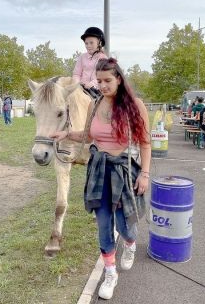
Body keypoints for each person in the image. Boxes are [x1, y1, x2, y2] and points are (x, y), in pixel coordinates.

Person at [51, 58, 151, 300]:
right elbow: (87, 135)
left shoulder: (134, 106)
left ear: (119, 79)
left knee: (125, 225)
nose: (103, 85)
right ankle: (110, 272)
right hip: (98, 170)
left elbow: (145, 143)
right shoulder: (95, 105)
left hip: (123, 170)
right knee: (104, 223)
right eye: (99, 81)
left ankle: (130, 244)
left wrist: (145, 174)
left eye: (108, 80)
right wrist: (65, 133)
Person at [72, 27, 108, 99]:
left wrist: (92, 84)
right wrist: (76, 84)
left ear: (99, 43)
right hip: (81, 88)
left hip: (97, 90)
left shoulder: (103, 58)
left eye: (91, 43)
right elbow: (76, 74)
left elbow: (103, 76)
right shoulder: (82, 57)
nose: (88, 46)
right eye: (86, 43)